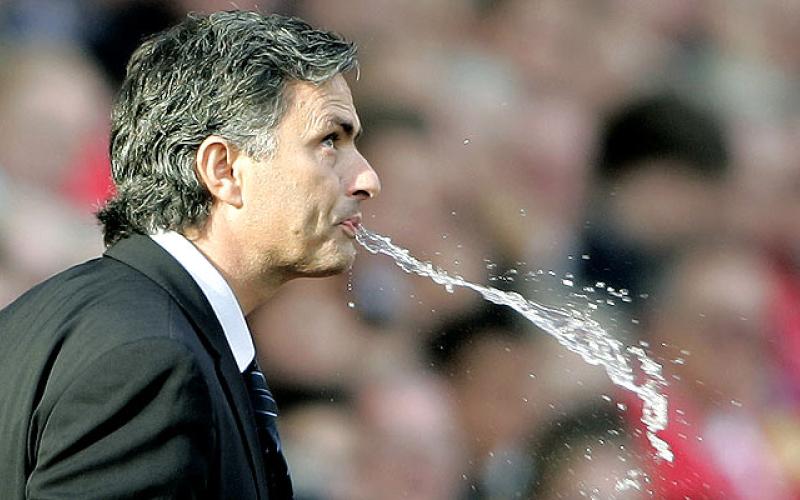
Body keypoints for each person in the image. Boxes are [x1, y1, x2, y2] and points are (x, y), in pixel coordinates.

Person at [0, 10, 380, 499]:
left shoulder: (77, 316)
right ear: (223, 169)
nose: (367, 179)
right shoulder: (153, 357)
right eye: (329, 141)